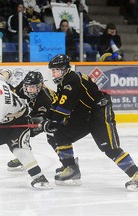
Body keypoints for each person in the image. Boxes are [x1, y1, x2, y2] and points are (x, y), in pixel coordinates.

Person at [40, 54, 138, 191]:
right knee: (60, 132)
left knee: (109, 148)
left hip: (100, 112)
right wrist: (46, 120)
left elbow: (64, 109)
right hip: (86, 115)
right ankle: (71, 168)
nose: (53, 74)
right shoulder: (64, 83)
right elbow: (56, 105)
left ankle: (135, 173)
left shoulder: (72, 80)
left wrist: (52, 122)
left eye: (55, 70)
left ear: (63, 69)